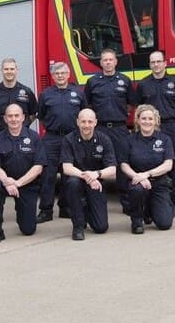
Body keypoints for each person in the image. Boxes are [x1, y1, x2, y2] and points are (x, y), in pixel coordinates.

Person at [136, 51, 175, 215]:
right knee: (149, 162)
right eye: (152, 62)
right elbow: (139, 107)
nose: (155, 65)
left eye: (158, 61)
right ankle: (151, 202)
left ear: (165, 63)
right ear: (149, 65)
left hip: (172, 126)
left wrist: (171, 116)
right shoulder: (143, 84)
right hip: (151, 128)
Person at [84, 48, 135, 213]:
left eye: (110, 60)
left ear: (115, 62)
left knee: (121, 164)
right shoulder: (93, 82)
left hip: (119, 128)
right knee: (97, 163)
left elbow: (130, 104)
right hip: (99, 129)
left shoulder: (124, 80)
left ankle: (127, 203)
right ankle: (96, 203)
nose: (107, 62)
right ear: (100, 63)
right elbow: (88, 106)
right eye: (105, 60)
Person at [0, 104, 45, 244]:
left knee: (28, 230)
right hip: (4, 182)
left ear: (23, 117)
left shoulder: (34, 137)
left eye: (17, 115)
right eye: (10, 116)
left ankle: (21, 209)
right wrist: (7, 181)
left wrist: (18, 183)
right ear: (5, 119)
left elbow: (38, 167)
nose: (13, 119)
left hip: (27, 184)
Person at [35, 62, 86, 222]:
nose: (60, 76)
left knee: (68, 175)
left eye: (63, 73)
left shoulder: (78, 92)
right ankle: (46, 210)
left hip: (72, 138)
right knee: (48, 176)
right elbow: (41, 116)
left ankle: (65, 208)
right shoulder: (45, 94)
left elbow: (84, 113)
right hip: (51, 138)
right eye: (57, 73)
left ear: (68, 73)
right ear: (52, 75)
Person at [60, 108, 117, 241]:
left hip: (97, 182)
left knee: (101, 227)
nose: (86, 125)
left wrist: (96, 174)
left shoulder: (104, 140)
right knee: (72, 183)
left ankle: (86, 208)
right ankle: (78, 226)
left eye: (90, 122)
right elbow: (67, 168)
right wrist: (88, 177)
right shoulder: (68, 140)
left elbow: (113, 169)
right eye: (83, 122)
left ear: (95, 123)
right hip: (78, 180)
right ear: (77, 122)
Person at [119, 104, 175, 234]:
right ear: (138, 120)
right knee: (136, 190)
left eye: (150, 119)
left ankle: (157, 207)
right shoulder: (129, 140)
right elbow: (124, 165)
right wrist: (137, 177)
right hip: (137, 182)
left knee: (164, 224)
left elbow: (168, 164)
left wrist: (146, 174)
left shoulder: (165, 139)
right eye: (143, 118)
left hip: (159, 183)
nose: (147, 122)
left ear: (156, 120)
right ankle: (137, 220)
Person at [0, 57, 38, 134]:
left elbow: (33, 114)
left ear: (17, 70)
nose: (9, 71)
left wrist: (23, 126)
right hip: (1, 136)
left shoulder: (27, 92)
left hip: (23, 135)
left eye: (12, 69)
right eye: (6, 69)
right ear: (1, 70)